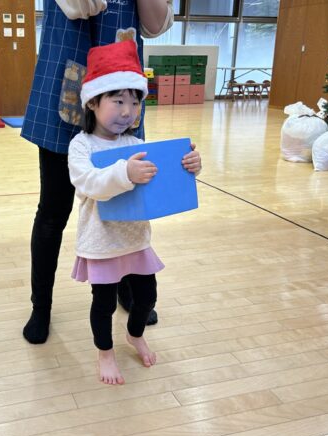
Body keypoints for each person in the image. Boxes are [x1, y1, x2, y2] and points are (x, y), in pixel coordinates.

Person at [21, 0, 176, 344]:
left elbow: (156, 23)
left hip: (121, 93)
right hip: (66, 79)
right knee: (53, 211)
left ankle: (124, 286)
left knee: (125, 202)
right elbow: (79, 5)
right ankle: (41, 305)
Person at [67, 40, 202, 385]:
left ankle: (135, 334)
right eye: (118, 101)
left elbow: (161, 177)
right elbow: (89, 183)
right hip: (101, 242)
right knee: (103, 304)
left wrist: (188, 166)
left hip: (136, 239)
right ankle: (105, 352)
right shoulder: (81, 145)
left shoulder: (134, 143)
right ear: (93, 102)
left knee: (146, 297)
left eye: (135, 101)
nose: (128, 111)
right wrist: (124, 173)